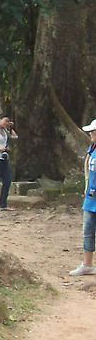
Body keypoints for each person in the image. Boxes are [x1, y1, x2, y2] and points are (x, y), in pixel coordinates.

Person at [69, 118, 96, 276]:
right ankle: (87, 264)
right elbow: (86, 163)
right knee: (87, 229)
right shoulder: (92, 147)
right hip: (91, 197)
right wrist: (87, 182)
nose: (91, 134)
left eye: (93, 131)